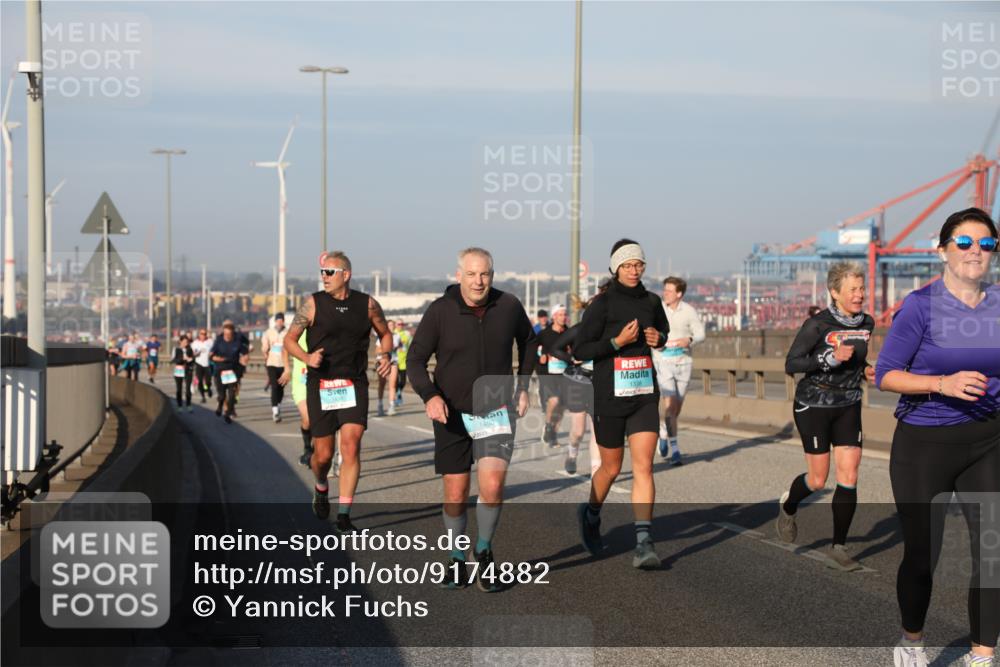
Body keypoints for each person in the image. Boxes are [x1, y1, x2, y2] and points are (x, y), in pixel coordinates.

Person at [875, 208, 999, 667]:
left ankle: (982, 654)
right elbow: (886, 376)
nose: (975, 252)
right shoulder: (921, 306)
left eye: (985, 244)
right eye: (964, 243)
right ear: (943, 250)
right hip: (924, 444)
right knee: (923, 555)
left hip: (987, 441)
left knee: (993, 551)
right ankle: (911, 641)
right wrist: (941, 384)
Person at [407, 247, 534, 591]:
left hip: (495, 408)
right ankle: (456, 556)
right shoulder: (440, 311)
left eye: (486, 274)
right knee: (456, 492)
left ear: (493, 274)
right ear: (459, 274)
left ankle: (484, 550)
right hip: (451, 411)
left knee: (491, 487)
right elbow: (415, 360)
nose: (479, 281)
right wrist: (430, 395)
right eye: (472, 274)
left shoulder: (508, 305)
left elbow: (529, 341)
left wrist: (523, 386)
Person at [573, 239, 669, 570]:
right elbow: (580, 350)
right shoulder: (602, 304)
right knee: (611, 468)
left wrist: (659, 339)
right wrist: (617, 342)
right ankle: (591, 512)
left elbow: (663, 334)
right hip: (609, 396)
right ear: (615, 268)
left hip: (643, 395)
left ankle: (644, 543)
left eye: (639, 264)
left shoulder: (652, 301)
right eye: (627, 265)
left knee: (644, 466)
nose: (634, 270)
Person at [776, 261, 875, 571]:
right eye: (853, 289)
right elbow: (792, 363)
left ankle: (839, 547)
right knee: (818, 480)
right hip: (814, 403)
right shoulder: (817, 325)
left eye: (862, 288)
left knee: (849, 474)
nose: (859, 294)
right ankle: (789, 505)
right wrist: (829, 357)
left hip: (848, 403)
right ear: (835, 292)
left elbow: (858, 359)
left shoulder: (868, 323)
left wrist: (866, 368)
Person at [284, 251, 393, 532]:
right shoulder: (312, 305)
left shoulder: (367, 305)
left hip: (353, 383)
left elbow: (385, 333)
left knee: (351, 444)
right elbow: (289, 340)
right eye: (322, 272)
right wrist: (307, 359)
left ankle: (344, 512)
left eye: (330, 272)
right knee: (322, 456)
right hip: (320, 385)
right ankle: (321, 486)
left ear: (346, 274)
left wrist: (385, 355)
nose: (324, 277)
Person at [652, 277, 706, 465]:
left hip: (684, 363)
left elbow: (701, 334)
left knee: (676, 409)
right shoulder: (657, 309)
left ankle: (664, 431)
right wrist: (655, 342)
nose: (665, 293)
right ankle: (675, 450)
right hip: (663, 362)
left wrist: (689, 340)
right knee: (669, 405)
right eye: (664, 290)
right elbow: (649, 330)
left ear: (679, 294)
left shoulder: (689, 311)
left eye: (668, 291)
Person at [526, 304, 569, 448]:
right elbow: (533, 348)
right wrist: (541, 356)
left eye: (565, 314)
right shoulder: (544, 334)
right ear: (554, 316)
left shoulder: (568, 332)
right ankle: (549, 425)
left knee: (562, 405)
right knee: (554, 400)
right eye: (561, 314)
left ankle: (553, 436)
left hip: (564, 372)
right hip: (546, 372)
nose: (563, 317)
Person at [283, 329, 314, 467]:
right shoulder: (299, 331)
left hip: (320, 381)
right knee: (308, 418)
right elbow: (285, 348)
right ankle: (308, 448)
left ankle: (318, 453)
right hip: (301, 382)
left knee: (320, 421)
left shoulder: (325, 328)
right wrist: (286, 369)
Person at [210, 322, 242, 424]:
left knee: (232, 395)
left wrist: (245, 358)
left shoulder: (237, 342)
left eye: (229, 334)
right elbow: (211, 356)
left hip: (232, 371)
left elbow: (244, 353)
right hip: (220, 371)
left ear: (232, 333)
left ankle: (228, 413)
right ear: (223, 333)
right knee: (222, 395)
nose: (227, 336)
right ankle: (220, 406)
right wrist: (219, 359)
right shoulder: (219, 342)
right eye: (226, 334)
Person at [261, 313, 289, 423]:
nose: (279, 322)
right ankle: (275, 411)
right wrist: (265, 350)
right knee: (274, 386)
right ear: (275, 321)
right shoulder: (268, 332)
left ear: (283, 321)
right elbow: (264, 346)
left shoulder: (287, 333)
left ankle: (278, 405)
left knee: (281, 388)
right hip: (271, 363)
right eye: (278, 320)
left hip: (283, 364)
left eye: (281, 320)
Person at [376, 320, 401, 417]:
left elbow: (400, 346)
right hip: (382, 362)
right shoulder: (382, 336)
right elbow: (377, 350)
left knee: (393, 384)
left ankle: (391, 406)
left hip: (393, 361)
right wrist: (386, 349)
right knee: (382, 384)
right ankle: (380, 405)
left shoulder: (397, 336)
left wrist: (396, 348)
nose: (391, 326)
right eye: (389, 325)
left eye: (393, 325)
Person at [171, 334, 196, 412]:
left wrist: (190, 359)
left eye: (187, 342)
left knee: (188, 388)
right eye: (184, 342)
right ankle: (179, 405)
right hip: (179, 370)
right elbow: (173, 360)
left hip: (188, 370)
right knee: (179, 388)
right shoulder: (176, 349)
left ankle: (188, 405)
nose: (186, 344)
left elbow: (193, 359)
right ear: (180, 341)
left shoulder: (189, 349)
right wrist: (182, 359)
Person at [191, 328, 214, 403]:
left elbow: (215, 350)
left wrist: (212, 354)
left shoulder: (210, 342)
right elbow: (192, 353)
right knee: (200, 381)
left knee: (208, 381)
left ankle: (208, 389)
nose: (203, 335)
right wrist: (196, 354)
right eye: (201, 334)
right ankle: (203, 397)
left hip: (207, 364)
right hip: (199, 364)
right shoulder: (195, 343)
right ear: (199, 334)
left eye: (204, 334)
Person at [394, 321, 412, 408]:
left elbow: (411, 345)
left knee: (403, 381)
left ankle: (398, 392)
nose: (400, 326)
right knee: (396, 381)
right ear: (395, 325)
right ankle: (397, 396)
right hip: (395, 361)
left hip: (404, 361)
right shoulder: (393, 333)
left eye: (402, 324)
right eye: (399, 324)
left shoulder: (407, 334)